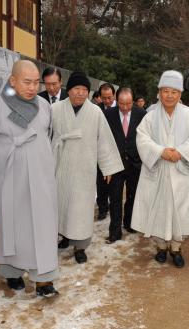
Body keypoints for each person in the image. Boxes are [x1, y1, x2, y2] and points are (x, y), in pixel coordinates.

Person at [0, 60, 59, 297]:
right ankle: (12, 272)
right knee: (11, 225)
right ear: (12, 80)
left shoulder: (44, 106)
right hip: (8, 178)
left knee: (42, 226)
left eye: (35, 82)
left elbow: (48, 137)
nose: (32, 88)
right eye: (26, 82)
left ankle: (44, 279)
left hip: (40, 177)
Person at [131, 70, 189, 268]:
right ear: (159, 92)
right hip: (158, 171)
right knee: (158, 210)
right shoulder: (150, 116)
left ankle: (176, 247)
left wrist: (180, 152)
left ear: (180, 94)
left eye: (174, 91)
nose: (170, 95)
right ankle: (161, 246)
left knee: (180, 212)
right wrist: (160, 151)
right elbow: (142, 138)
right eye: (166, 91)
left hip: (182, 173)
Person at [52, 72, 123, 264]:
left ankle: (80, 247)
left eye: (84, 90)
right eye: (77, 89)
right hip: (62, 166)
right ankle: (65, 237)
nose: (81, 94)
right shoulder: (56, 109)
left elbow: (104, 141)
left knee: (81, 210)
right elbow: (48, 137)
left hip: (85, 167)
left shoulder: (95, 112)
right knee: (62, 205)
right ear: (69, 90)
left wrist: (108, 167)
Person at [104, 87, 146, 243]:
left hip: (135, 164)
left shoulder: (141, 114)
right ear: (117, 99)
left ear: (133, 101)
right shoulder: (108, 115)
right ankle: (115, 232)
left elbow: (145, 138)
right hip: (115, 164)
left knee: (133, 195)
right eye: (121, 103)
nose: (125, 107)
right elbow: (103, 140)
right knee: (114, 198)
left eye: (128, 104)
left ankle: (129, 223)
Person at [96, 82, 117, 220]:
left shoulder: (121, 108)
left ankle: (114, 207)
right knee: (101, 182)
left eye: (110, 97)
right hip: (101, 151)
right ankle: (102, 207)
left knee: (115, 183)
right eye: (104, 98)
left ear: (114, 95)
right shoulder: (96, 110)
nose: (107, 101)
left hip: (116, 151)